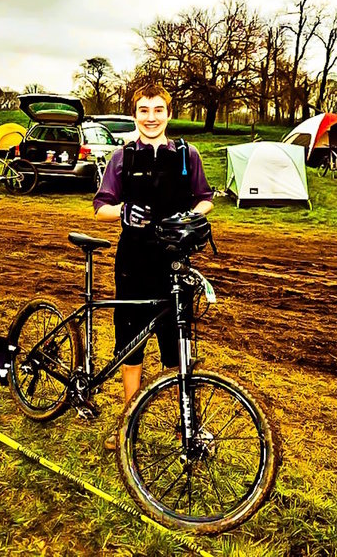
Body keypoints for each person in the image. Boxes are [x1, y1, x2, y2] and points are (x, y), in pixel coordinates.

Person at [93, 83, 213, 449]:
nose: (151, 117)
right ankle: (129, 423)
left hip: (173, 262)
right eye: (143, 110)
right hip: (133, 262)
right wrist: (123, 211)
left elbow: (205, 200)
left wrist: (189, 218)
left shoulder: (186, 155)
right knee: (131, 346)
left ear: (169, 113)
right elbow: (100, 208)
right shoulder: (123, 157)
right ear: (134, 115)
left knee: (177, 347)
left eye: (157, 110)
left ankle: (184, 424)